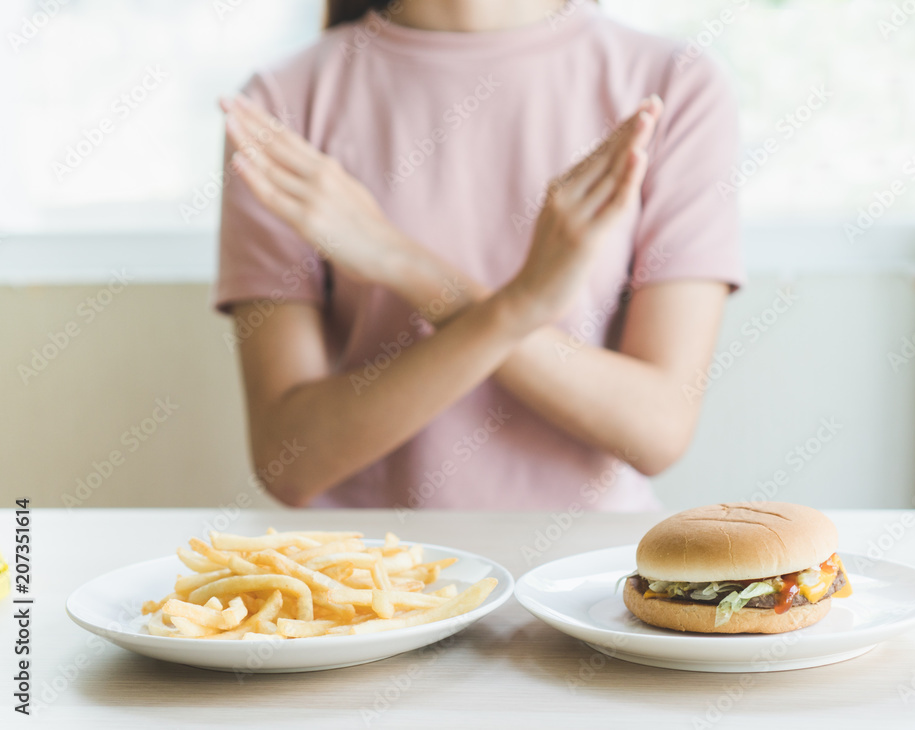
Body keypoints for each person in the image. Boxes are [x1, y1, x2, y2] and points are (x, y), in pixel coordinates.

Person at [215, 0, 744, 510]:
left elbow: (657, 428)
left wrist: (408, 266)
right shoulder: (279, 104)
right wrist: (517, 308)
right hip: (374, 583)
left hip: (584, 582)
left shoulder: (676, 85)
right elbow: (290, 463)